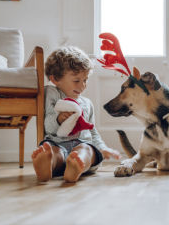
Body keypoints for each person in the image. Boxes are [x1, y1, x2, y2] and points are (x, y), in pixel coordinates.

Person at [31, 46, 120, 183]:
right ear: (55, 80)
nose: (83, 85)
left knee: (86, 150)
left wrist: (103, 148)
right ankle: (48, 162)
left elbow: (93, 131)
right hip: (57, 143)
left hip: (82, 143)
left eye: (85, 80)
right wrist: (59, 119)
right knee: (53, 151)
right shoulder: (51, 94)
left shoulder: (87, 103)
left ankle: (76, 166)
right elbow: (48, 126)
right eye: (76, 81)